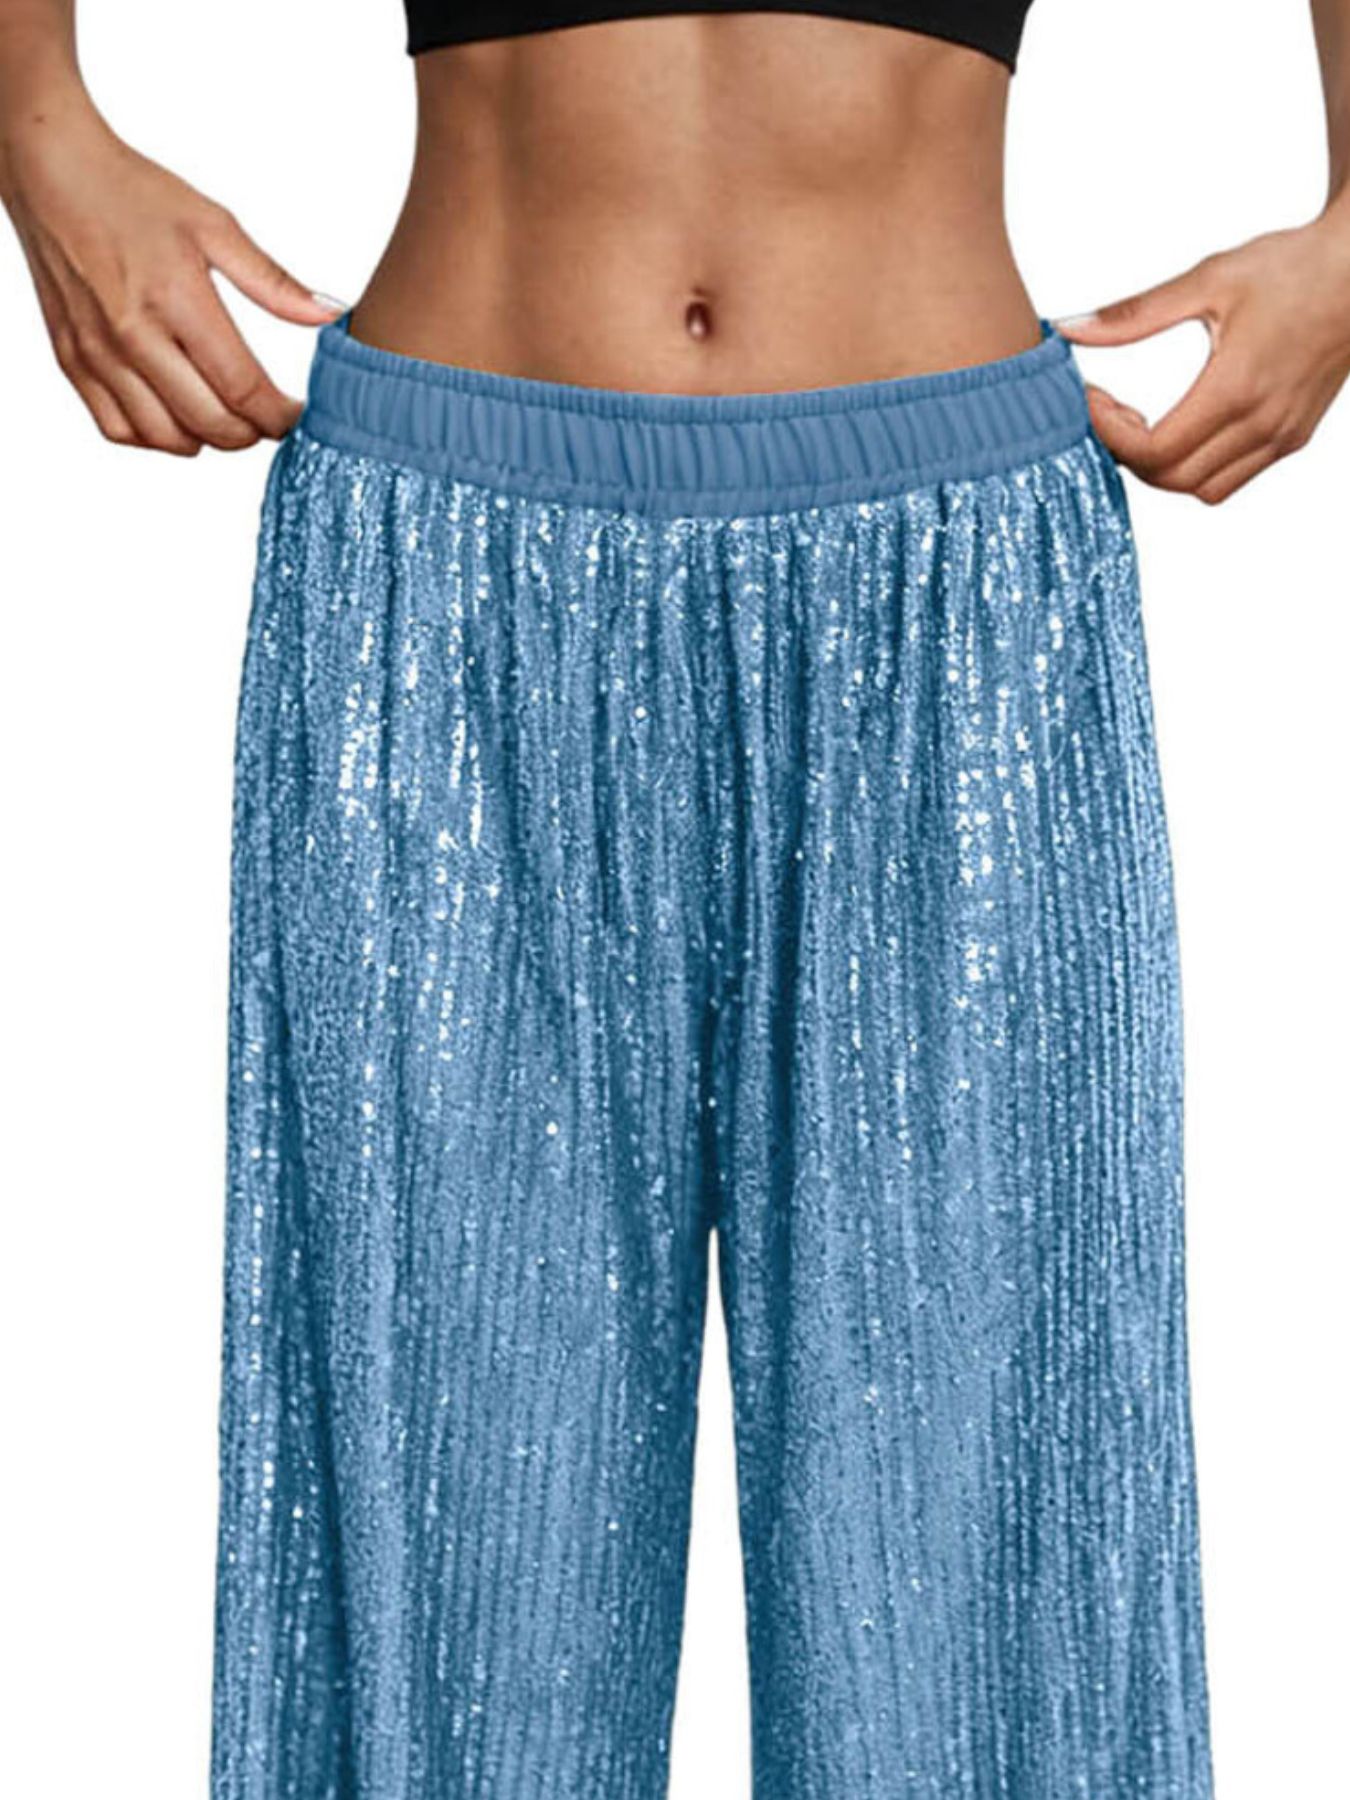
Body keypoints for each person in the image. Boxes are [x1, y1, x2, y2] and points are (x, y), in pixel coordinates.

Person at [1, 3, 1346, 1797]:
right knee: (452, 1594)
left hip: (945, 603)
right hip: (452, 581)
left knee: (981, 1624)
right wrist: (39, 123)